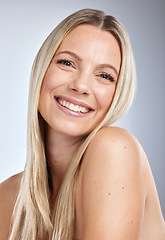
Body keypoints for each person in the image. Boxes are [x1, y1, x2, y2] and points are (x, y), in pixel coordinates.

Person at [0, 8, 164, 240]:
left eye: (105, 76)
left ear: (118, 93)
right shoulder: (7, 195)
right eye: (67, 63)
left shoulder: (114, 148)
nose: (81, 85)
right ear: (42, 68)